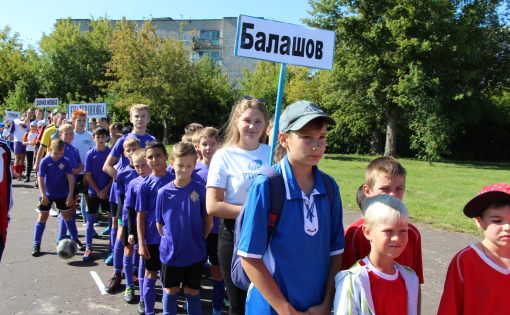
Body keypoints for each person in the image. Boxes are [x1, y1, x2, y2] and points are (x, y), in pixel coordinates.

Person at [237, 100, 344, 314]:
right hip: (270, 307)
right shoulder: (267, 185)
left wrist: (326, 303)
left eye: (322, 137)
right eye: (306, 137)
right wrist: (284, 308)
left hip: (316, 307)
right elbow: (249, 257)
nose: (317, 145)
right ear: (283, 139)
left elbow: (336, 251)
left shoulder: (329, 187)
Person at [206, 97, 271, 315]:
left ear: (266, 124)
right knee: (239, 304)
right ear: (236, 121)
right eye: (247, 120)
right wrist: (253, 211)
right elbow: (213, 206)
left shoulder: (271, 154)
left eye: (258, 121)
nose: (252, 126)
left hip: (269, 235)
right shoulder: (224, 155)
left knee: (268, 300)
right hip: (235, 234)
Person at [341, 156, 424, 285]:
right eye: (385, 189)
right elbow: (346, 281)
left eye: (399, 189)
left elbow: (415, 282)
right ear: (367, 191)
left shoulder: (411, 233)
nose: (393, 195)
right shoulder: (354, 233)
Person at [334, 194, 419, 315]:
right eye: (388, 231)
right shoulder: (352, 280)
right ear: (367, 232)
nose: (397, 238)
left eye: (403, 231)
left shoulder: (410, 278)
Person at [156, 142, 213, 315]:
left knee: (192, 291)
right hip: (171, 254)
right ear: (172, 163)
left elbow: (208, 221)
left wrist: (197, 239)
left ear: (194, 166)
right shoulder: (163, 192)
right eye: (180, 165)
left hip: (195, 253)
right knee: (171, 291)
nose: (184, 170)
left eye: (189, 166)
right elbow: (160, 225)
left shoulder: (199, 190)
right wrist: (172, 240)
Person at [437, 183, 510, 315]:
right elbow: (450, 308)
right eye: (497, 220)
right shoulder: (465, 261)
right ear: (479, 221)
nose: (507, 227)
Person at [103, 104, 154, 265]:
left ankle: (137, 268)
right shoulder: (123, 140)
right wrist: (124, 180)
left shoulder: (152, 141)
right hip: (125, 195)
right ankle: (117, 265)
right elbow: (107, 166)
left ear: (149, 119)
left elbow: (157, 166)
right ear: (131, 119)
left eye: (143, 116)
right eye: (136, 116)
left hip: (145, 192)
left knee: (141, 230)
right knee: (121, 231)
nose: (140, 119)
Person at [136, 141, 175, 315]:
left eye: (158, 155)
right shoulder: (144, 185)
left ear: (166, 156)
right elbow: (141, 215)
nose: (154, 160)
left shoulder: (175, 180)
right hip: (152, 239)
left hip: (172, 239)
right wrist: (142, 242)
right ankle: (149, 310)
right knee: (150, 275)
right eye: (150, 157)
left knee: (170, 282)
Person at [105, 137, 141, 294]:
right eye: (128, 151)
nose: (132, 153)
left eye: (135, 149)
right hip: (126, 214)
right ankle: (118, 272)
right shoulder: (122, 174)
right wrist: (121, 217)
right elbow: (121, 199)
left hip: (143, 215)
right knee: (123, 242)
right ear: (124, 154)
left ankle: (135, 272)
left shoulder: (147, 170)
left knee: (141, 244)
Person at [195, 127, 225, 315]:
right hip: (196, 228)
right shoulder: (192, 168)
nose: (209, 148)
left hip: (217, 229)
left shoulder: (223, 167)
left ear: (218, 145)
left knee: (217, 270)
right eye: (205, 144)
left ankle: (217, 307)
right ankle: (194, 304)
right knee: (194, 269)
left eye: (212, 144)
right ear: (197, 146)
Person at [32, 139, 78, 257]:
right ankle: (36, 244)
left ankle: (75, 239)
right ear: (51, 150)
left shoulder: (65, 161)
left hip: (62, 193)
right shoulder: (45, 161)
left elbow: (71, 178)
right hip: (47, 193)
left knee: (67, 216)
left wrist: (70, 195)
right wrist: (43, 194)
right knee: (43, 216)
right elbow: (40, 178)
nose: (59, 155)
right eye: (56, 153)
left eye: (61, 153)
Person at [122, 149, 151, 311]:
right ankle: (132, 288)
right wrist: (132, 231)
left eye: (143, 165)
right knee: (138, 259)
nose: (140, 169)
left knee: (148, 262)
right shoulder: (134, 183)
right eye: (137, 166)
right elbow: (130, 210)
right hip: (132, 225)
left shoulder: (157, 180)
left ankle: (147, 292)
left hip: (151, 228)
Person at [83, 128, 112, 262]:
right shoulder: (90, 154)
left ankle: (111, 249)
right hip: (93, 193)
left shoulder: (111, 153)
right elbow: (88, 175)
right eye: (98, 137)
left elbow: (113, 174)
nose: (101, 140)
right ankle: (88, 247)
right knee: (90, 221)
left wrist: (105, 190)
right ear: (94, 138)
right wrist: (97, 190)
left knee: (112, 222)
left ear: (106, 138)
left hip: (108, 193)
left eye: (103, 137)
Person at [71, 109, 94, 218]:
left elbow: (93, 152)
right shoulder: (70, 135)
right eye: (79, 120)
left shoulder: (89, 135)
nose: (82, 123)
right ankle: (70, 221)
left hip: (86, 172)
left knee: (87, 197)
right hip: (73, 171)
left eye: (84, 120)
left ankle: (88, 221)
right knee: (72, 197)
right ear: (73, 121)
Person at [11, 111, 30, 179]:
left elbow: (28, 128)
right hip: (17, 141)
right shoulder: (16, 120)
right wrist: (28, 115)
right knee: (17, 158)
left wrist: (28, 119)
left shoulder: (28, 122)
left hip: (24, 142)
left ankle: (20, 174)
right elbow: (23, 123)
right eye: (23, 115)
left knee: (22, 158)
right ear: (21, 116)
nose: (24, 117)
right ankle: (15, 174)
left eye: (25, 115)